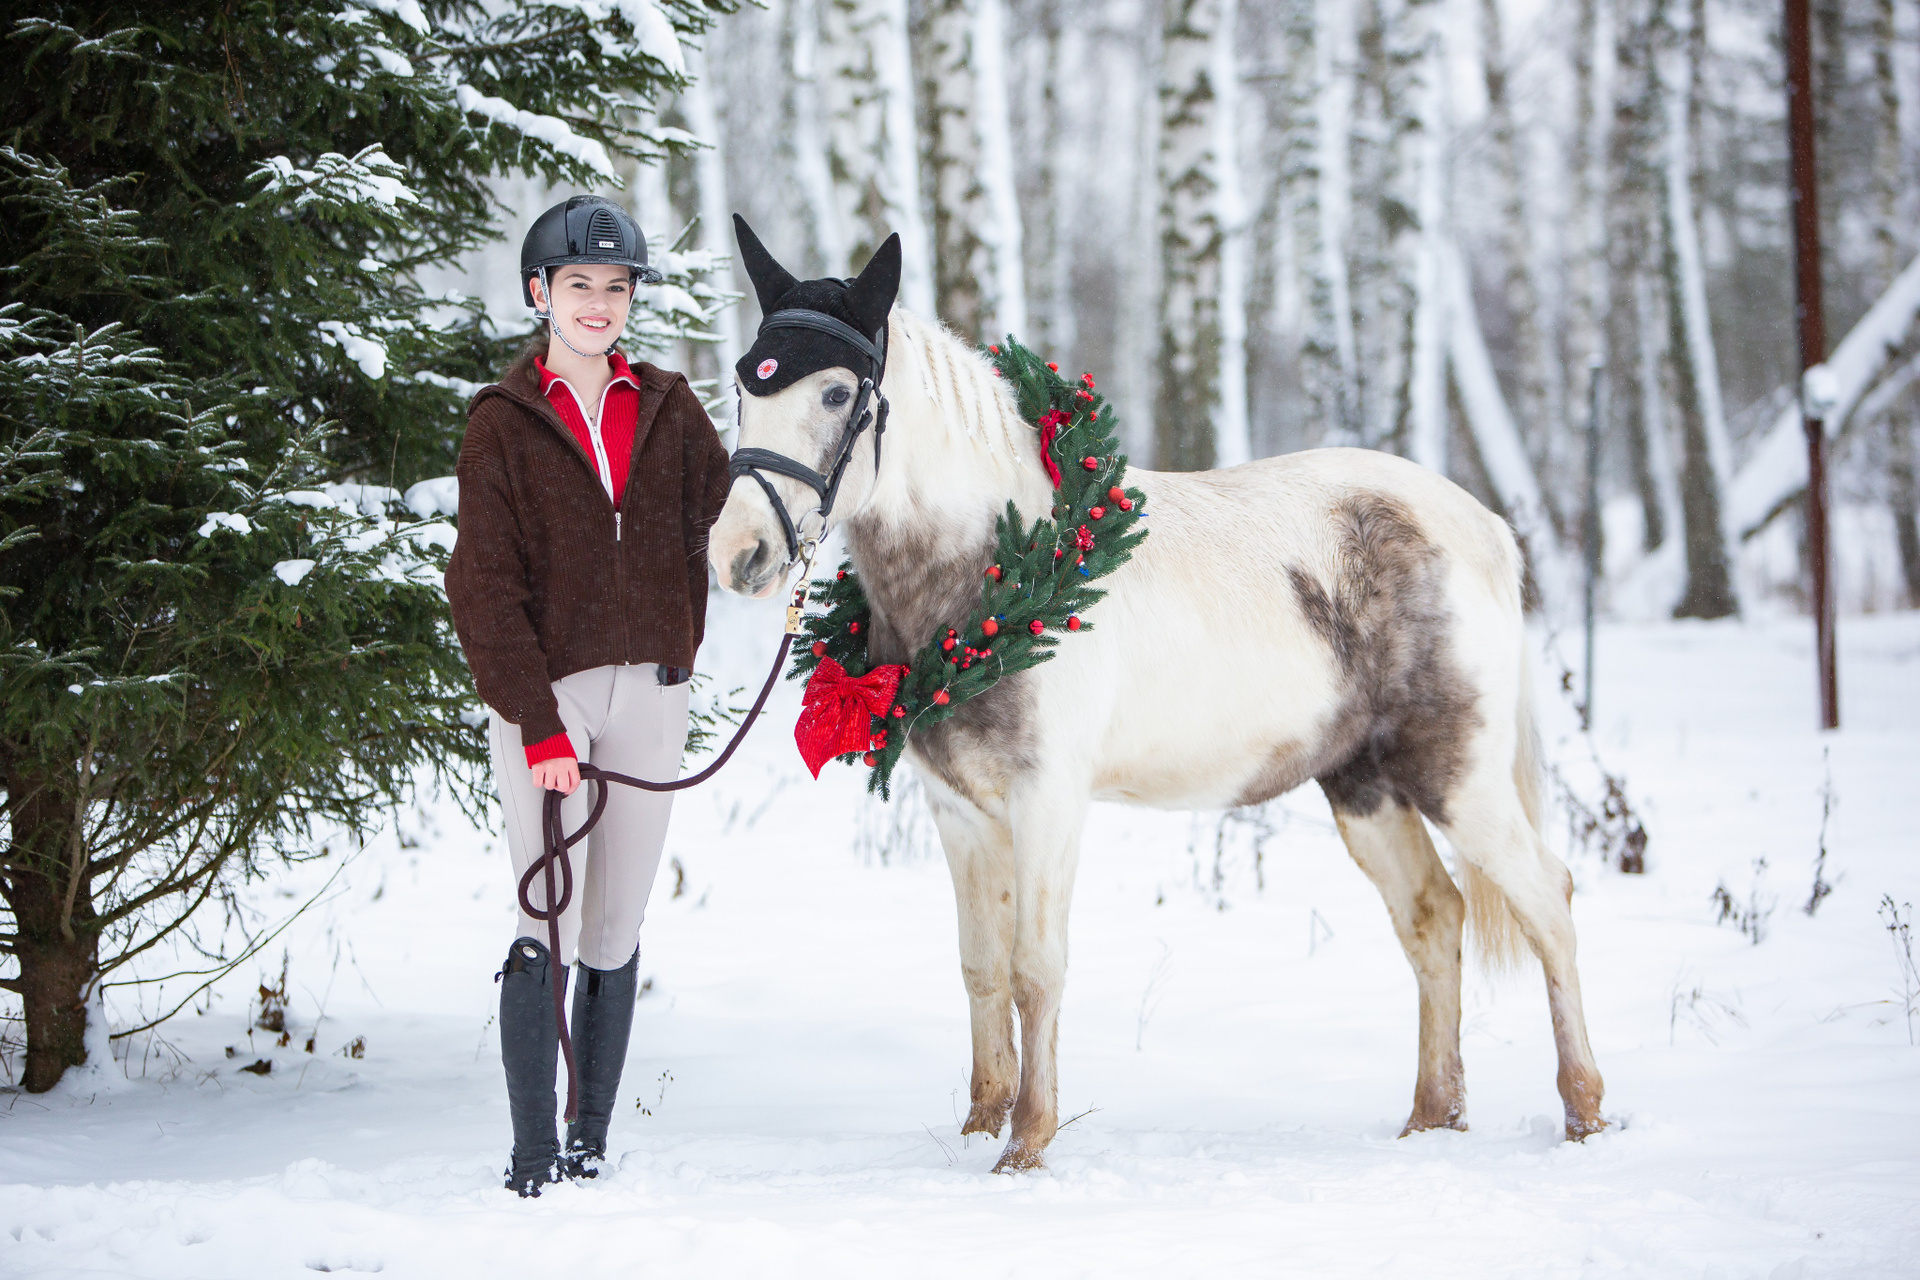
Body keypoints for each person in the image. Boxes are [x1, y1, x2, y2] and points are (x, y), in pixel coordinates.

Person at [444, 194, 731, 1197]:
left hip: (653, 693)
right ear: (541, 293)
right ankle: (532, 1155)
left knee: (617, 923)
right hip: (549, 695)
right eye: (579, 285)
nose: (598, 303)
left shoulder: (670, 407)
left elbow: (730, 522)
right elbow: (482, 586)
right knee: (550, 918)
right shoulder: (502, 423)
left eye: (615, 286)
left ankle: (590, 1137)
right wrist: (536, 725)